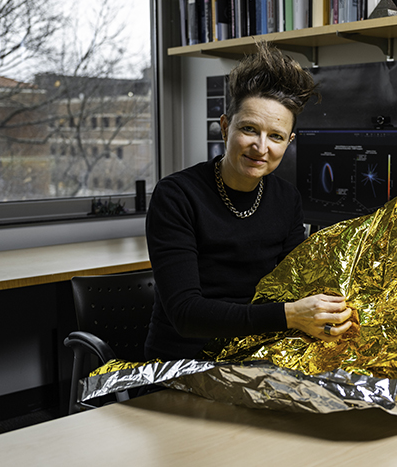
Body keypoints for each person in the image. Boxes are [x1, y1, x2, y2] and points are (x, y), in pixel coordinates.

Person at [144, 42, 353, 361]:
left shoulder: (286, 199)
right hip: (182, 364)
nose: (260, 147)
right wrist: (289, 316)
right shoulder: (177, 195)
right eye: (249, 129)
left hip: (255, 355)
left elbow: (296, 287)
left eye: (276, 136)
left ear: (289, 142)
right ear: (225, 126)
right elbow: (186, 314)